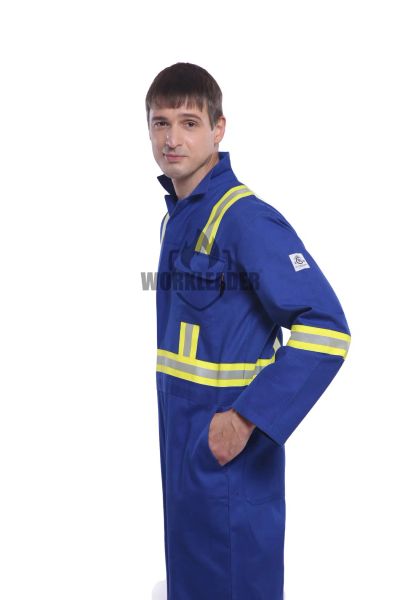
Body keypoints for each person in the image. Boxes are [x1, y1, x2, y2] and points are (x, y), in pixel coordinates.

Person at [145, 62, 351, 600]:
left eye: (189, 123)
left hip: (229, 455)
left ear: (219, 129)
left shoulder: (246, 220)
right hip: (183, 446)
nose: (172, 139)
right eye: (161, 123)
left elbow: (327, 330)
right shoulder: (180, 216)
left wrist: (244, 418)